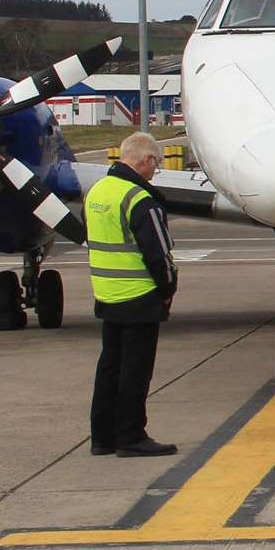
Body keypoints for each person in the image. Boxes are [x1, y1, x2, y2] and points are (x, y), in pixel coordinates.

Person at [86, 131, 180, 457]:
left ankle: (102, 436)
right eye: (157, 164)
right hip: (139, 296)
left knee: (109, 366)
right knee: (135, 371)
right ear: (147, 160)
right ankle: (131, 436)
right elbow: (158, 254)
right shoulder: (140, 200)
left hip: (107, 293)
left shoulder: (98, 191)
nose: (156, 171)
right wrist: (167, 290)